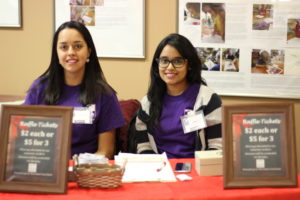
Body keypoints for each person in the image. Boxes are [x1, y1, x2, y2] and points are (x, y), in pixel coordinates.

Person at [24, 21, 125, 159]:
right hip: (46, 170)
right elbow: (24, 143)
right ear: (56, 53)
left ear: (88, 51)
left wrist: (76, 168)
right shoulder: (38, 89)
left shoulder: (104, 94)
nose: (71, 52)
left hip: (86, 172)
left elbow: (106, 151)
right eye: (64, 47)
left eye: (78, 46)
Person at [133, 33, 222, 158]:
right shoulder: (148, 102)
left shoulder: (208, 99)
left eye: (178, 61)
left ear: (189, 64)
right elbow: (144, 146)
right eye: (164, 61)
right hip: (160, 171)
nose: (170, 67)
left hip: (196, 170)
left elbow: (216, 147)